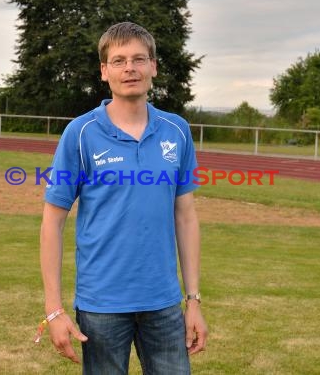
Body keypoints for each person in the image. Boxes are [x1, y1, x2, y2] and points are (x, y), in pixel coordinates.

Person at [39, 21, 207, 374]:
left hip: (163, 303)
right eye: (118, 61)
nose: (130, 68)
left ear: (154, 67)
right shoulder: (80, 134)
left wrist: (193, 301)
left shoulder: (176, 131)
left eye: (139, 59)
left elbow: (186, 217)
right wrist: (54, 310)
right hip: (101, 305)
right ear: (104, 71)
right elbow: (52, 222)